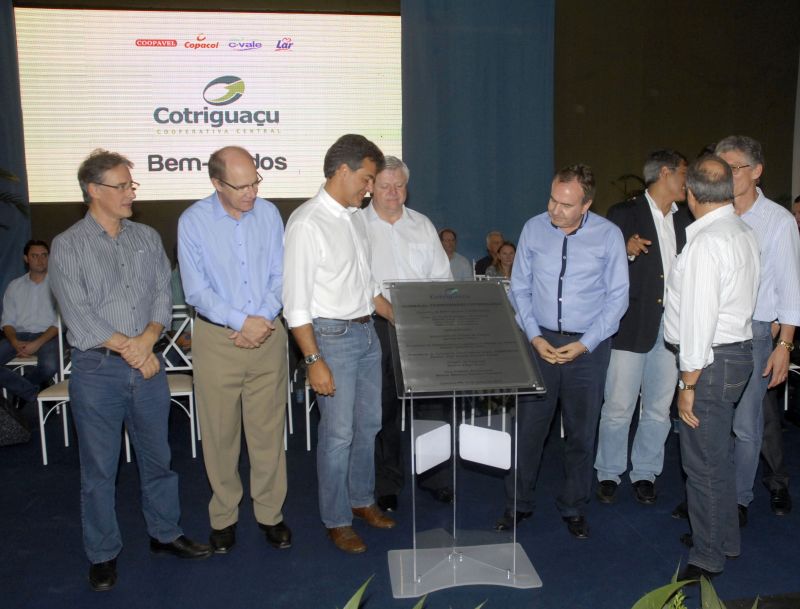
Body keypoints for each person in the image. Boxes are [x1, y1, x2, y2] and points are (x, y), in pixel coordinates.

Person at [49, 149, 211, 592]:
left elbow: (162, 296)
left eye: (131, 185)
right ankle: (102, 553)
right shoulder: (67, 245)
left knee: (159, 460)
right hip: (97, 371)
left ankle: (165, 533)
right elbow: (79, 316)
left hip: (147, 367)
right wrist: (133, 349)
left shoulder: (147, 237)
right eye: (121, 186)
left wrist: (146, 341)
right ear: (93, 190)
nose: (130, 193)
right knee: (99, 471)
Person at [495, 164, 628, 539]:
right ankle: (518, 503)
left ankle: (573, 505)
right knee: (528, 430)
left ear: (586, 205)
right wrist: (534, 336)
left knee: (582, 434)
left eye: (566, 205)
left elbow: (617, 297)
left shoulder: (608, 235)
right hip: (539, 343)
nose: (555, 209)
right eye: (552, 199)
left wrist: (586, 343)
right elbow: (520, 288)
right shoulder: (533, 228)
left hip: (588, 347)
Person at [283, 134, 395, 554]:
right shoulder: (307, 223)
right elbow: (295, 305)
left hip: (366, 333)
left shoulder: (355, 218)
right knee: (338, 433)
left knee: (369, 425)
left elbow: (369, 287)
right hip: (331, 337)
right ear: (343, 171)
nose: (370, 188)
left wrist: (404, 319)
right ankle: (336, 519)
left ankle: (361, 498)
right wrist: (313, 359)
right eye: (366, 179)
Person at [178, 146, 290, 554]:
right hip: (218, 339)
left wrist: (260, 320)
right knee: (220, 434)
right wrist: (241, 322)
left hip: (268, 335)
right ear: (216, 184)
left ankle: (270, 513)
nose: (251, 193)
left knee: (267, 433)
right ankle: (224, 516)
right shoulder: (193, 221)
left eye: (255, 182)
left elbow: (281, 274)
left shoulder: (270, 214)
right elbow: (196, 290)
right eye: (241, 186)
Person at [664, 155, 759, 580]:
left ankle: (707, 556)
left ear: (691, 194)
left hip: (709, 362)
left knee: (701, 464)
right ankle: (725, 540)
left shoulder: (706, 242)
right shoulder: (741, 230)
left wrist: (687, 384)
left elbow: (699, 321)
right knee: (717, 457)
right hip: (735, 355)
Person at [594, 150, 692, 505]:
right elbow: (600, 266)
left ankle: (646, 472)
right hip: (631, 324)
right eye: (684, 173)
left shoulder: (687, 219)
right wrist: (626, 250)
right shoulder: (624, 213)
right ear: (666, 173)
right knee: (618, 405)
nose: (688, 181)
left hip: (672, 325)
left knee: (658, 407)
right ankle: (609, 472)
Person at [715, 136, 800, 521]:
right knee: (713, 423)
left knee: (747, 425)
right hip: (713, 331)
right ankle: (712, 494)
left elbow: (790, 289)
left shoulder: (778, 221)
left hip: (755, 334)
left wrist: (785, 345)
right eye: (722, 168)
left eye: (734, 168)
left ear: (757, 171)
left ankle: (738, 500)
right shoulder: (714, 215)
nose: (726, 175)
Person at [362, 156, 453, 513]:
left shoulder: (422, 224)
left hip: (422, 326)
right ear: (371, 187)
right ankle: (387, 483)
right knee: (383, 408)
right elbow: (358, 282)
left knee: (432, 406)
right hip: (377, 326)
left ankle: (435, 477)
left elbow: (442, 277)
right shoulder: (357, 225)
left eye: (399, 185)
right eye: (385, 186)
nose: (392, 193)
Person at [0, 240, 59, 409]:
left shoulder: (58, 285)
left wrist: (37, 343)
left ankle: (24, 386)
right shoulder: (14, 286)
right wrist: (14, 342)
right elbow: (7, 321)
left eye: (44, 255)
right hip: (19, 335)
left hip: (48, 335)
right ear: (26, 259)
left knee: (49, 366)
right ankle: (31, 390)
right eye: (34, 256)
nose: (40, 260)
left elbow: (59, 322)